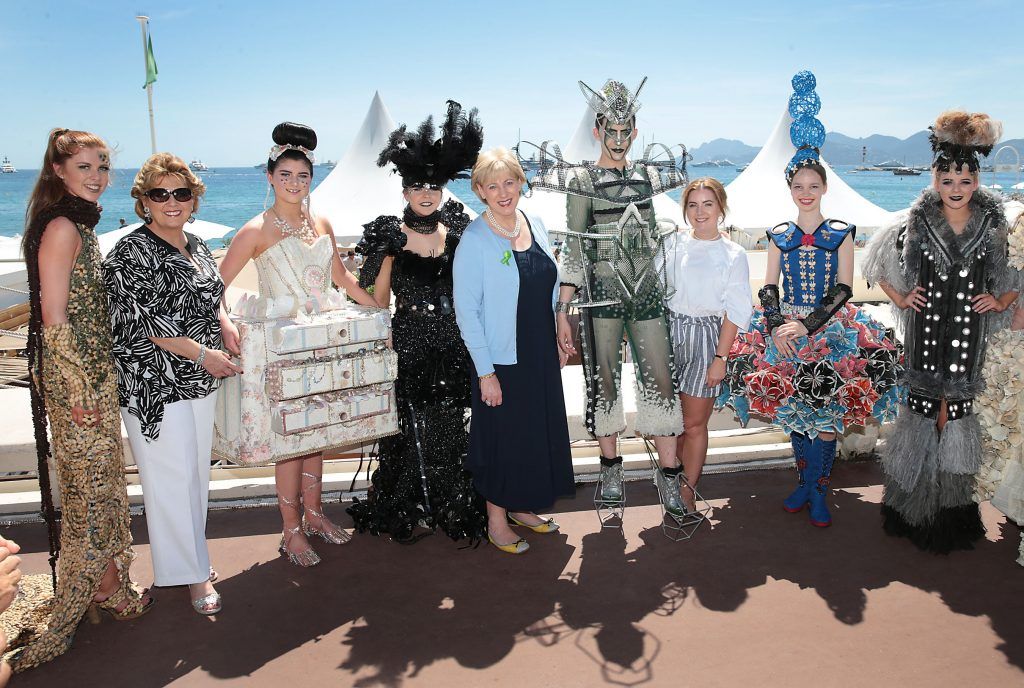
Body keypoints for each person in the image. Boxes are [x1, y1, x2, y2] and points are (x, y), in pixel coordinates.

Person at [717, 71, 900, 527]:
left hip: (828, 330)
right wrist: (778, 324)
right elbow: (768, 286)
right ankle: (802, 483)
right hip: (785, 332)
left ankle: (819, 490)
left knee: (822, 417)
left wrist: (807, 325)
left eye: (812, 186)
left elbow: (844, 288)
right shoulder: (778, 235)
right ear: (790, 189)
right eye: (798, 186)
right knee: (796, 416)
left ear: (824, 188)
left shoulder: (840, 233)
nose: (805, 192)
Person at [5, 129, 151, 673]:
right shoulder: (65, 227)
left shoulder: (78, 224)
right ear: (58, 171)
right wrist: (80, 388)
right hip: (76, 379)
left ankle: (106, 583)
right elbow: (54, 317)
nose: (96, 176)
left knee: (102, 481)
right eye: (84, 166)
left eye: (103, 166)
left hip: (90, 372)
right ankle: (86, 596)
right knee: (91, 488)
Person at [219, 122, 378, 565]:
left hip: (323, 337)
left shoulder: (321, 221)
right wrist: (225, 323)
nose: (294, 183)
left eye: (302, 176)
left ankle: (314, 514)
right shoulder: (255, 229)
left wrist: (377, 311)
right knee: (290, 437)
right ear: (269, 177)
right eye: (285, 175)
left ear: (312, 179)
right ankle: (289, 530)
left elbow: (341, 278)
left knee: (317, 431)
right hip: (282, 344)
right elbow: (213, 286)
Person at [864, 110, 1020, 552]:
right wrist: (900, 298)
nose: (956, 189)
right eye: (947, 180)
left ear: (977, 181)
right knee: (920, 413)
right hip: (925, 333)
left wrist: (1000, 301)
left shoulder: (993, 223)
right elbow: (880, 263)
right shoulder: (916, 219)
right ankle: (909, 508)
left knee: (956, 417)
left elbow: (1012, 273)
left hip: (969, 335)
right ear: (935, 180)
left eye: (965, 181)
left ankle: (953, 512)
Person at [538, 77, 688, 518]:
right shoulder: (581, 180)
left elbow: (650, 237)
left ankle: (670, 479)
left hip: (646, 297)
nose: (619, 140)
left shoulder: (648, 178)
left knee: (661, 380)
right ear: (597, 131)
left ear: (636, 133)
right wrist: (563, 310)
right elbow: (575, 248)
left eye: (627, 132)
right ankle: (610, 469)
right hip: (600, 298)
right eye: (611, 131)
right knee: (602, 382)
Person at [347, 101, 487, 543]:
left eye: (433, 185)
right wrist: (338, 272)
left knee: (450, 423)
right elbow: (376, 299)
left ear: (443, 188)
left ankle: (450, 501)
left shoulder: (459, 230)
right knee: (410, 427)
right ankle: (413, 502)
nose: (426, 193)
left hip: (452, 339)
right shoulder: (389, 233)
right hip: (409, 338)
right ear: (404, 189)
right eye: (416, 186)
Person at [105, 153, 239, 613]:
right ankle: (193, 575)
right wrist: (204, 354)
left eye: (181, 193)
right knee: (169, 480)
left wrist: (224, 323)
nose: (172, 201)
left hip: (201, 379)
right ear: (144, 201)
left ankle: (190, 560)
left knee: (194, 477)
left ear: (194, 199)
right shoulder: (129, 253)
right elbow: (144, 323)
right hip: (154, 385)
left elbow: (212, 294)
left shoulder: (197, 244)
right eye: (159, 194)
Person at [453, 147, 575, 554]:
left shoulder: (534, 221)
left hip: (539, 350)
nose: (503, 192)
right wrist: (485, 372)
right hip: (501, 359)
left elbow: (552, 280)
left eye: (510, 182)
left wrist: (561, 321)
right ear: (480, 191)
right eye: (493, 185)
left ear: (521, 183)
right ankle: (496, 520)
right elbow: (466, 311)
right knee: (502, 439)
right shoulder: (474, 239)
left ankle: (522, 507)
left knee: (532, 434)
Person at [662, 178, 752, 512]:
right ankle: (672, 481)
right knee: (671, 424)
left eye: (708, 204)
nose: (700, 212)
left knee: (694, 424)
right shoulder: (671, 245)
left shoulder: (733, 253)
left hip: (707, 339)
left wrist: (720, 357)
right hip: (670, 334)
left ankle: (687, 493)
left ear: (721, 208)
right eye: (693, 205)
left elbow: (736, 308)